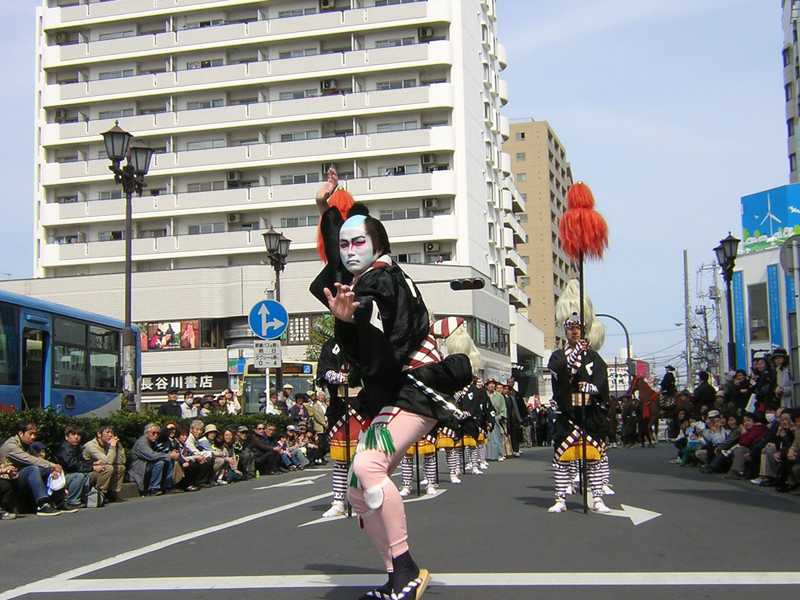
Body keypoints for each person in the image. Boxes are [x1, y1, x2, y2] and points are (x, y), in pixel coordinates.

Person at [310, 169, 474, 599]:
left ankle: (405, 567)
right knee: (357, 490)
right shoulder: (375, 276)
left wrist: (349, 320)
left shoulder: (381, 278)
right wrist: (329, 209)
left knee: (366, 468)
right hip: (397, 393)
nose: (348, 252)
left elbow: (371, 326)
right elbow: (356, 312)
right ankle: (395, 574)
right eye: (343, 244)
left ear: (378, 245)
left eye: (357, 242)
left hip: (415, 390)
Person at [547, 312, 612, 514]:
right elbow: (561, 374)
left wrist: (592, 388)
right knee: (562, 458)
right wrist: (576, 355)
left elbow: (602, 380)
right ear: (565, 331)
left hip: (590, 412)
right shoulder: (557, 355)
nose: (574, 331)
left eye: (578, 328)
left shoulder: (593, 356)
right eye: (570, 328)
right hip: (567, 413)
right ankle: (560, 498)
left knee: (594, 458)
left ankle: (598, 498)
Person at [317, 335, 365, 518]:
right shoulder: (331, 345)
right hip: (339, 408)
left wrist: (357, 376)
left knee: (365, 458)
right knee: (341, 459)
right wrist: (338, 376)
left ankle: (364, 497)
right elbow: (323, 372)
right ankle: (338, 500)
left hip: (364, 407)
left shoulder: (367, 341)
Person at [0, 420, 67, 515]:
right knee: (33, 469)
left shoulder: (27, 445)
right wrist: (52, 465)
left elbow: (38, 460)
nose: (33, 437)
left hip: (18, 475)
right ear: (20, 433)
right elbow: (30, 459)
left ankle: (59, 502)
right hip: (10, 478)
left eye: (35, 434)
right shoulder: (11, 445)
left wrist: (52, 469)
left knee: (47, 470)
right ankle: (42, 504)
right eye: (30, 434)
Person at [55, 425, 105, 509]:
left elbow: (82, 462)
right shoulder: (64, 449)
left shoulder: (76, 448)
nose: (76, 437)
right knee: (79, 476)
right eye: (73, 434)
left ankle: (92, 496)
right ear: (67, 437)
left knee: (95, 473)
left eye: (78, 435)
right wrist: (92, 468)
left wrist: (94, 463)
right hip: (62, 477)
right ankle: (72, 501)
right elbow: (72, 466)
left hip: (72, 474)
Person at [129, 423, 179, 496]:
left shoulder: (152, 441)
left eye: (158, 433)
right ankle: (153, 488)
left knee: (168, 460)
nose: (156, 435)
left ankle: (167, 486)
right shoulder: (142, 442)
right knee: (160, 463)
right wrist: (169, 455)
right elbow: (151, 455)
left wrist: (170, 453)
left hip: (148, 465)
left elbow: (160, 452)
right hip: (140, 468)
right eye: (153, 433)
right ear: (146, 433)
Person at [486, 380, 508, 461]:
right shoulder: (483, 395)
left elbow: (503, 408)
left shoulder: (499, 396)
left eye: (493, 385)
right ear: (487, 386)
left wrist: (500, 416)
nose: (491, 386)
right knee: (487, 439)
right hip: (486, 419)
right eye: (489, 385)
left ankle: (499, 454)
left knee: (497, 438)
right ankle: (486, 456)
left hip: (496, 418)